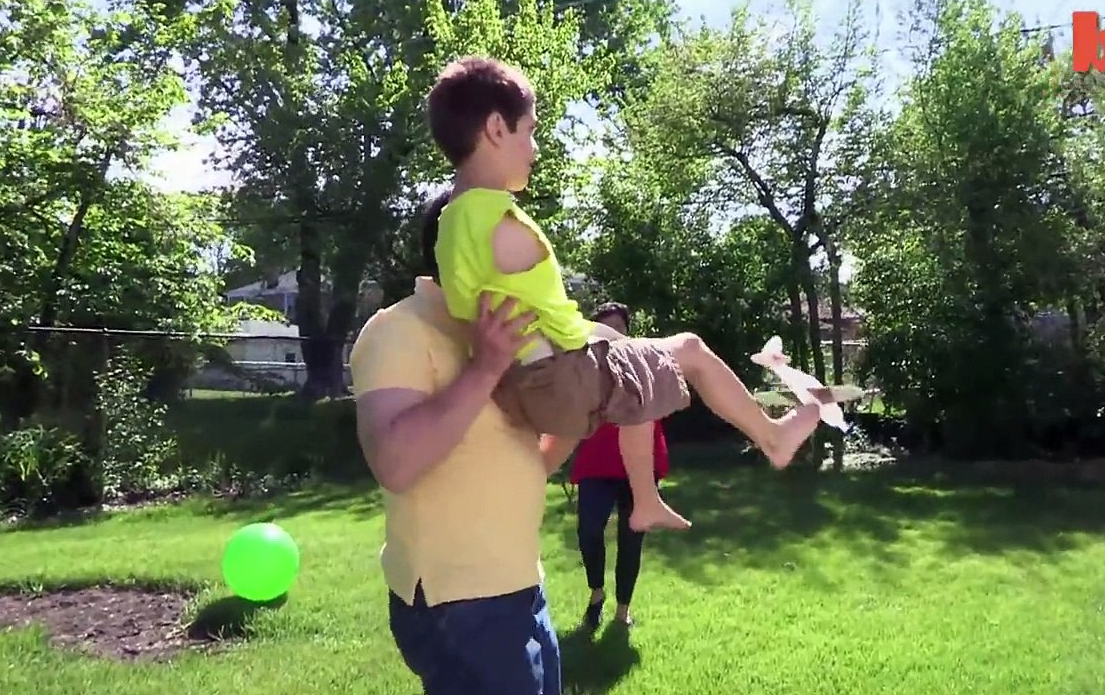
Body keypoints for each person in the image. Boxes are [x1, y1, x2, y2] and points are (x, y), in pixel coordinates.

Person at [424, 55, 833, 534]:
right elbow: (561, 325)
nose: (534, 148)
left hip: (520, 387)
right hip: (560, 380)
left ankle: (594, 489)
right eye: (528, 131)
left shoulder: (450, 223)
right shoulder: (504, 225)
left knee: (629, 364)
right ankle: (773, 438)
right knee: (688, 350)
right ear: (496, 128)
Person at [350, 226, 576, 691]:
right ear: (462, 252)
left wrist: (579, 415)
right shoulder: (397, 330)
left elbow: (519, 467)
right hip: (457, 600)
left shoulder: (503, 331)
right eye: (513, 252)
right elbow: (394, 464)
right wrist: (488, 366)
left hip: (520, 585)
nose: (529, 266)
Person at [570, 302, 667, 630]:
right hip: (597, 463)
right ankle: (596, 595)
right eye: (606, 330)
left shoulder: (644, 362)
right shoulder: (582, 369)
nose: (614, 337)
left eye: (619, 330)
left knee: (632, 536)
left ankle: (623, 610)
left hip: (639, 464)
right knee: (588, 531)